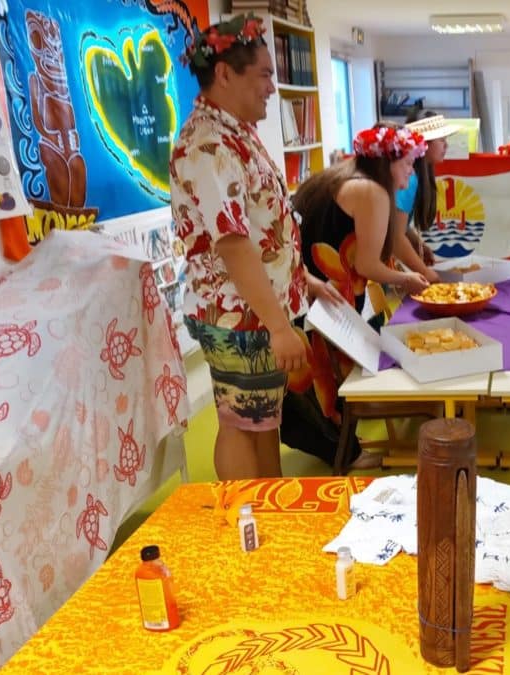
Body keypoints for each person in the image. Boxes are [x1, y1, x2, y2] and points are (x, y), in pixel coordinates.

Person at [169, 15, 341, 480]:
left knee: (263, 422)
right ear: (225, 73)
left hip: (257, 310)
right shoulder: (208, 144)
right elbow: (232, 243)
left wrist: (301, 280)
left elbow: (264, 227)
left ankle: (267, 518)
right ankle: (245, 527)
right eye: (264, 74)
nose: (272, 87)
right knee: (243, 425)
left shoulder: (236, 132)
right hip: (238, 315)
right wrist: (280, 326)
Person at [280, 125, 431, 470]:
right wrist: (407, 278)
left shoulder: (347, 176)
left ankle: (342, 445)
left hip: (311, 282)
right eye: (407, 164)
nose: (411, 171)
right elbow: (367, 263)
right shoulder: (372, 192)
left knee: (326, 370)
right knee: (326, 372)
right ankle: (344, 451)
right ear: (388, 163)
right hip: (322, 288)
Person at [395, 110, 463, 271]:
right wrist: (426, 273)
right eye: (441, 139)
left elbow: (399, 226)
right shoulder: (410, 179)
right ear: (424, 144)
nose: (446, 145)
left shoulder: (416, 176)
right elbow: (395, 236)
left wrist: (419, 245)